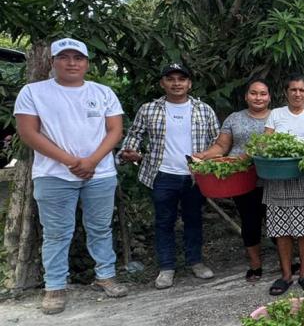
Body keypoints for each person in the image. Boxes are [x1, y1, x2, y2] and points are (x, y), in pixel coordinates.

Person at [14, 38, 128, 314]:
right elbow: (28, 132)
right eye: (64, 57)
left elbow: (114, 130)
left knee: (100, 228)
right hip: (53, 175)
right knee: (56, 233)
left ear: (87, 63)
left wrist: (92, 161)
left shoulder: (103, 92)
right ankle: (54, 286)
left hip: (100, 174)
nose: (71, 63)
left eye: (77, 58)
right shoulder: (33, 92)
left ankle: (105, 276)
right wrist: (70, 161)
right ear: (52, 62)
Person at [119, 63, 219, 289]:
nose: (176, 83)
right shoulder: (149, 109)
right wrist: (129, 152)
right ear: (163, 83)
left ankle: (196, 262)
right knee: (164, 222)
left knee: (194, 220)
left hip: (195, 176)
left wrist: (212, 164)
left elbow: (217, 140)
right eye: (171, 79)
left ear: (189, 83)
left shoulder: (203, 109)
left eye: (181, 79)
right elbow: (134, 135)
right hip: (162, 175)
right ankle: (167, 268)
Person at [194, 79, 271, 282]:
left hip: (272, 177)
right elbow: (221, 146)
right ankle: (255, 265)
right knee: (250, 221)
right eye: (254, 93)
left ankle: (286, 261)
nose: (258, 97)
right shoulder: (234, 118)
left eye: (263, 93)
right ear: (246, 96)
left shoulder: (278, 117)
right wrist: (204, 156)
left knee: (275, 220)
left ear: (269, 97)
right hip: (241, 177)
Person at [263, 74, 304, 296]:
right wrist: (267, 150)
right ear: (286, 92)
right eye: (293, 90)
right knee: (281, 228)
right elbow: (266, 141)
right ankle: (285, 275)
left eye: (302, 90)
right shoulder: (276, 114)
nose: (297, 94)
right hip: (279, 176)